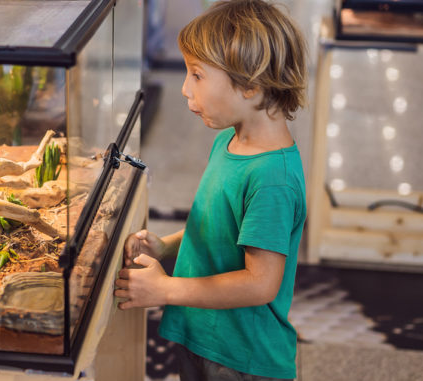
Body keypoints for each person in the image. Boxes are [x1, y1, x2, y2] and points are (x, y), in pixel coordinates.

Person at [114, 1, 307, 380]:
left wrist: (166, 289)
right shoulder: (228, 142)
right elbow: (224, 230)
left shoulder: (272, 178)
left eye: (197, 75)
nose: (185, 88)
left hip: (241, 359)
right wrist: (166, 246)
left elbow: (261, 283)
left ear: (250, 85)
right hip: (202, 337)